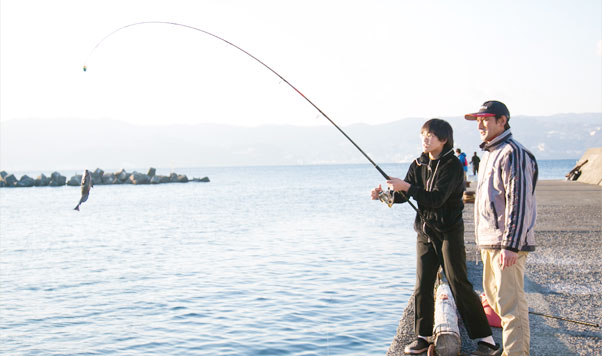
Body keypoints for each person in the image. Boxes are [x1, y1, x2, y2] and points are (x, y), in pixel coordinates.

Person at [371, 118, 496, 355]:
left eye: (431, 135)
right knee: (422, 285)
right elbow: (404, 197)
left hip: (449, 232)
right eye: (423, 135)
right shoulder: (418, 164)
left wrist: (406, 187)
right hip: (425, 232)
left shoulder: (452, 165)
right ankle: (422, 336)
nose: (425, 139)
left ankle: (486, 339)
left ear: (444, 139)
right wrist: (384, 196)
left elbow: (436, 198)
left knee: (459, 283)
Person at [465, 100, 538, 356]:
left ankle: (516, 353)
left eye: (485, 119)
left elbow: (519, 202)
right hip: (489, 241)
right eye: (478, 120)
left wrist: (511, 244)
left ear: (502, 121)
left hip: (505, 243)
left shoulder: (512, 153)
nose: (480, 125)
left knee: (511, 305)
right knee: (497, 301)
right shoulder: (489, 155)